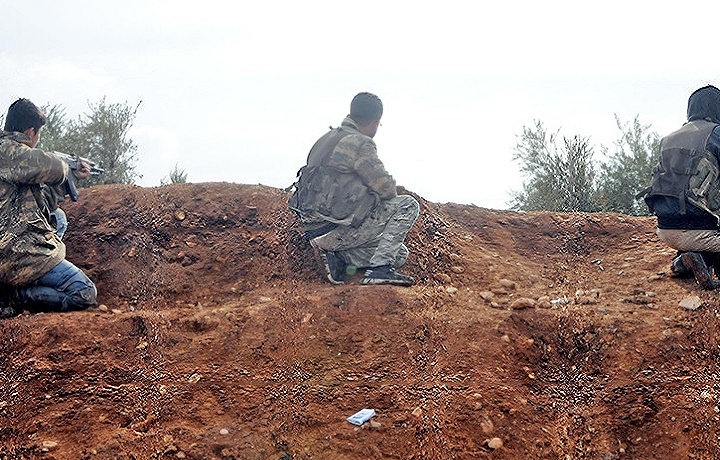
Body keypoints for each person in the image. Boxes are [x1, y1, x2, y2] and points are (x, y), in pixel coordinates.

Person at [289, 92, 419, 286]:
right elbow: (386, 189)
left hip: (312, 227)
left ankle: (337, 259)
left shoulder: (324, 139)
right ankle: (379, 270)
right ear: (376, 122)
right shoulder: (360, 143)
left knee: (400, 254)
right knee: (408, 204)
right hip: (335, 227)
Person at [0, 98, 97, 318]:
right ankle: (16, 295)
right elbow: (53, 167)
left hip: (8, 245)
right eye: (39, 134)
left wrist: (72, 175)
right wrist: (65, 165)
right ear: (31, 132)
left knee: (58, 218)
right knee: (84, 292)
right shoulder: (9, 153)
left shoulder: (15, 162)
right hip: (13, 255)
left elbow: (41, 205)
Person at [639, 85, 720, 289]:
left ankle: (683, 261)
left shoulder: (668, 139)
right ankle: (703, 259)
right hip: (703, 228)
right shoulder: (716, 133)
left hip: (665, 228)